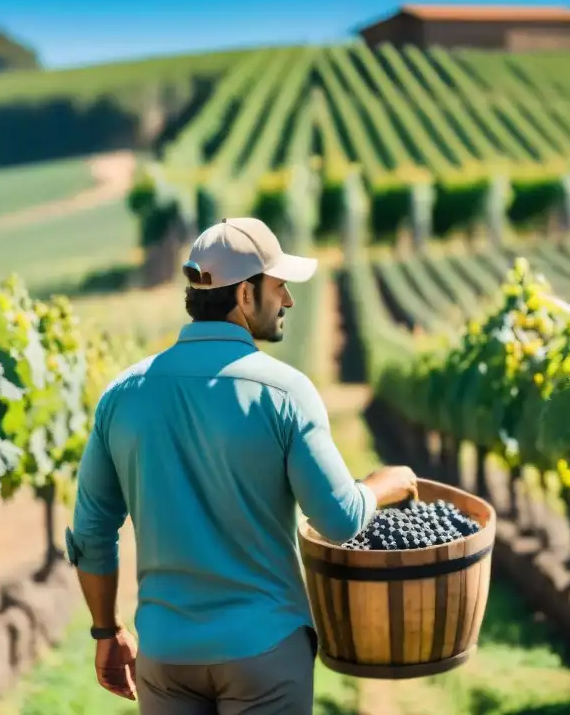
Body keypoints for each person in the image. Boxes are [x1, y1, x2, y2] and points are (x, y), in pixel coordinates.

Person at [64, 216, 418, 714]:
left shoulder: (122, 396)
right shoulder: (284, 392)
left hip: (167, 656)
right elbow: (338, 521)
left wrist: (107, 631)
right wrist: (383, 485)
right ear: (244, 296)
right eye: (279, 286)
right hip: (265, 651)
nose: (289, 300)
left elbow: (91, 532)